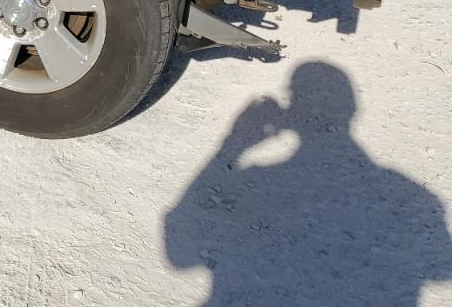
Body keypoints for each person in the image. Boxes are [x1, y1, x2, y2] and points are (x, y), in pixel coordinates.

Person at [164, 62, 452, 306]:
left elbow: (178, 254)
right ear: (352, 110)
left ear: (291, 111)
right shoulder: (411, 196)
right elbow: (441, 269)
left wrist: (232, 147)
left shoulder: (256, 182)